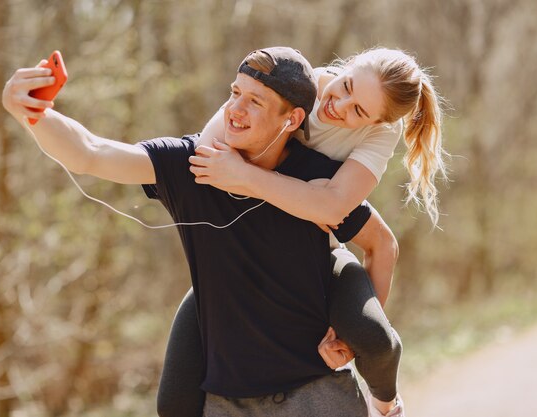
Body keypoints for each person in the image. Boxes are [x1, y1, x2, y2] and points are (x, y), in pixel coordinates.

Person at [2, 46, 401, 416]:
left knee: (378, 342)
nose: (236, 110)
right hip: (225, 403)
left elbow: (379, 243)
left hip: (316, 394)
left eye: (255, 101)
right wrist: (33, 113)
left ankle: (389, 404)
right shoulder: (191, 165)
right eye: (234, 94)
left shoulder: (317, 182)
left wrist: (350, 336)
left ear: (292, 119)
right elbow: (90, 151)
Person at [159, 47, 447, 417]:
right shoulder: (298, 83)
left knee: (374, 338)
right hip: (238, 258)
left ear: (378, 122)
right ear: (343, 69)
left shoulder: (379, 137)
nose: (339, 105)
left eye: (358, 110)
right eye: (345, 86)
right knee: (173, 402)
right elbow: (207, 149)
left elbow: (333, 208)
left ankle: (387, 405)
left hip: (316, 254)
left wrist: (248, 176)